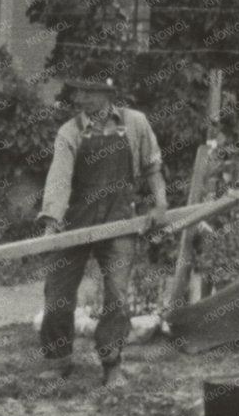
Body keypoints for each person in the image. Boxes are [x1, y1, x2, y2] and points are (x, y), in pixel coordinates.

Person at [36, 75, 168, 384]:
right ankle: (58, 361)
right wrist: (52, 223)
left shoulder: (135, 123)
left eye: (90, 92)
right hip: (75, 221)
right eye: (79, 92)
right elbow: (59, 179)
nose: (81, 98)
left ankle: (112, 364)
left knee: (117, 296)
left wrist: (160, 204)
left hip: (119, 219)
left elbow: (153, 166)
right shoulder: (70, 132)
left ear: (107, 94)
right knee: (57, 294)